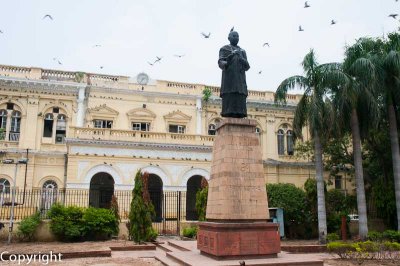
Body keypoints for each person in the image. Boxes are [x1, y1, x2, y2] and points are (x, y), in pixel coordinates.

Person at [218, 30, 250, 118]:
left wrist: (240, 56)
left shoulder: (242, 51)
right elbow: (221, 63)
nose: (236, 38)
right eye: (234, 36)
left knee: (240, 103)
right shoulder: (224, 49)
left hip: (240, 81)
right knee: (229, 101)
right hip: (229, 81)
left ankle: (240, 113)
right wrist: (229, 59)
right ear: (229, 38)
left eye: (237, 36)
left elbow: (247, 66)